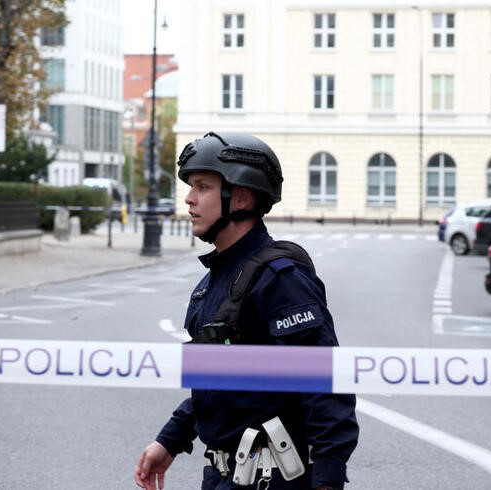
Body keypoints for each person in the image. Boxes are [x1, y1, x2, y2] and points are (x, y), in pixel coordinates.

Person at [134, 132, 359, 490]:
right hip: (223, 476)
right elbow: (220, 382)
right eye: (191, 186)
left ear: (240, 196)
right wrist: (170, 440)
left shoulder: (281, 280)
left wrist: (328, 481)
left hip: (274, 480)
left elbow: (326, 386)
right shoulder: (215, 282)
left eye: (203, 187)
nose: (189, 199)